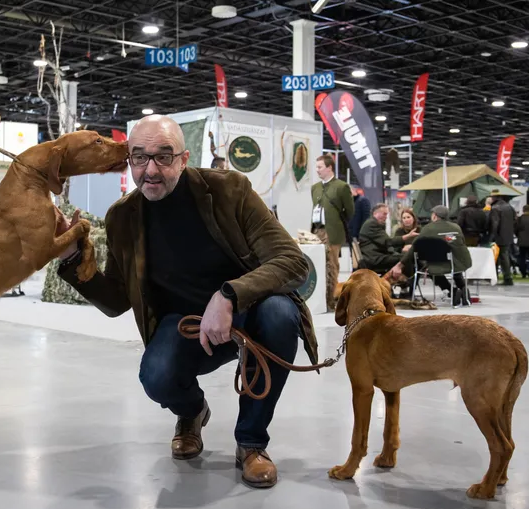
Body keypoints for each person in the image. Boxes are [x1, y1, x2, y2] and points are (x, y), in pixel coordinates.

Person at [56, 115, 319, 489]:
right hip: (184, 324)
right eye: (139, 157)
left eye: (164, 157)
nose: (151, 169)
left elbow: (292, 262)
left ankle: (251, 443)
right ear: (129, 160)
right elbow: (115, 300)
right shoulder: (122, 218)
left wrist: (229, 295)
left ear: (184, 158)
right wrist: (70, 258)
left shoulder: (230, 190)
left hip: (248, 313)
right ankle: (192, 411)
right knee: (157, 376)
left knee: (280, 314)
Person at [388, 205, 472, 306]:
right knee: (452, 267)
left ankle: (452, 291)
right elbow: (461, 243)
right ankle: (462, 290)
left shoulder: (427, 229)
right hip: (456, 264)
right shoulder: (456, 227)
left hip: (436, 264)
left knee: (428, 267)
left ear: (435, 216)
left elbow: (414, 248)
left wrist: (400, 265)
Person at [310, 154, 354, 310]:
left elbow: (349, 211)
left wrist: (336, 225)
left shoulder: (341, 187)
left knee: (331, 266)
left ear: (329, 168)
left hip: (333, 232)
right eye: (316, 167)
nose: (317, 170)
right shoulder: (314, 188)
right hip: (316, 231)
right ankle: (319, 300)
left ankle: (330, 301)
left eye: (320, 167)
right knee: (317, 265)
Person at [358, 203, 415, 274]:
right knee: (406, 258)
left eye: (386, 214)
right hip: (374, 258)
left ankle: (405, 280)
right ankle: (407, 282)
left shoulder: (374, 223)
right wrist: (408, 236)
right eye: (384, 214)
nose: (386, 217)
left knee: (404, 256)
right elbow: (388, 241)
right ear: (376, 213)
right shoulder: (372, 224)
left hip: (374, 256)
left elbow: (386, 242)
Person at [488, 191, 516, 286]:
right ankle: (507, 277)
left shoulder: (495, 208)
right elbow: (514, 220)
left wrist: (491, 236)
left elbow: (495, 224)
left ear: (494, 198)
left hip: (499, 236)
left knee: (498, 257)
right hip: (508, 235)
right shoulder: (509, 207)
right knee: (505, 256)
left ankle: (503, 277)